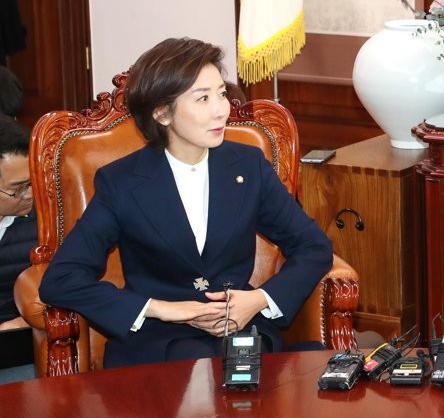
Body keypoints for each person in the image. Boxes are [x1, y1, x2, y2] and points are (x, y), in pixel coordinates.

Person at [38, 38, 333, 368]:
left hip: (237, 331)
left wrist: (258, 300)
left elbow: (313, 246)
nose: (221, 109)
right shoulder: (122, 182)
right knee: (195, 370)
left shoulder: (248, 167)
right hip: (159, 341)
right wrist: (161, 308)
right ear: (162, 113)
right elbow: (62, 279)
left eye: (221, 94)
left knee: (259, 376)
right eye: (203, 98)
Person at [0, 114, 34, 331]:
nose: (30, 194)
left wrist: (23, 322)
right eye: (19, 188)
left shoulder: (50, 222)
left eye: (32, 182)